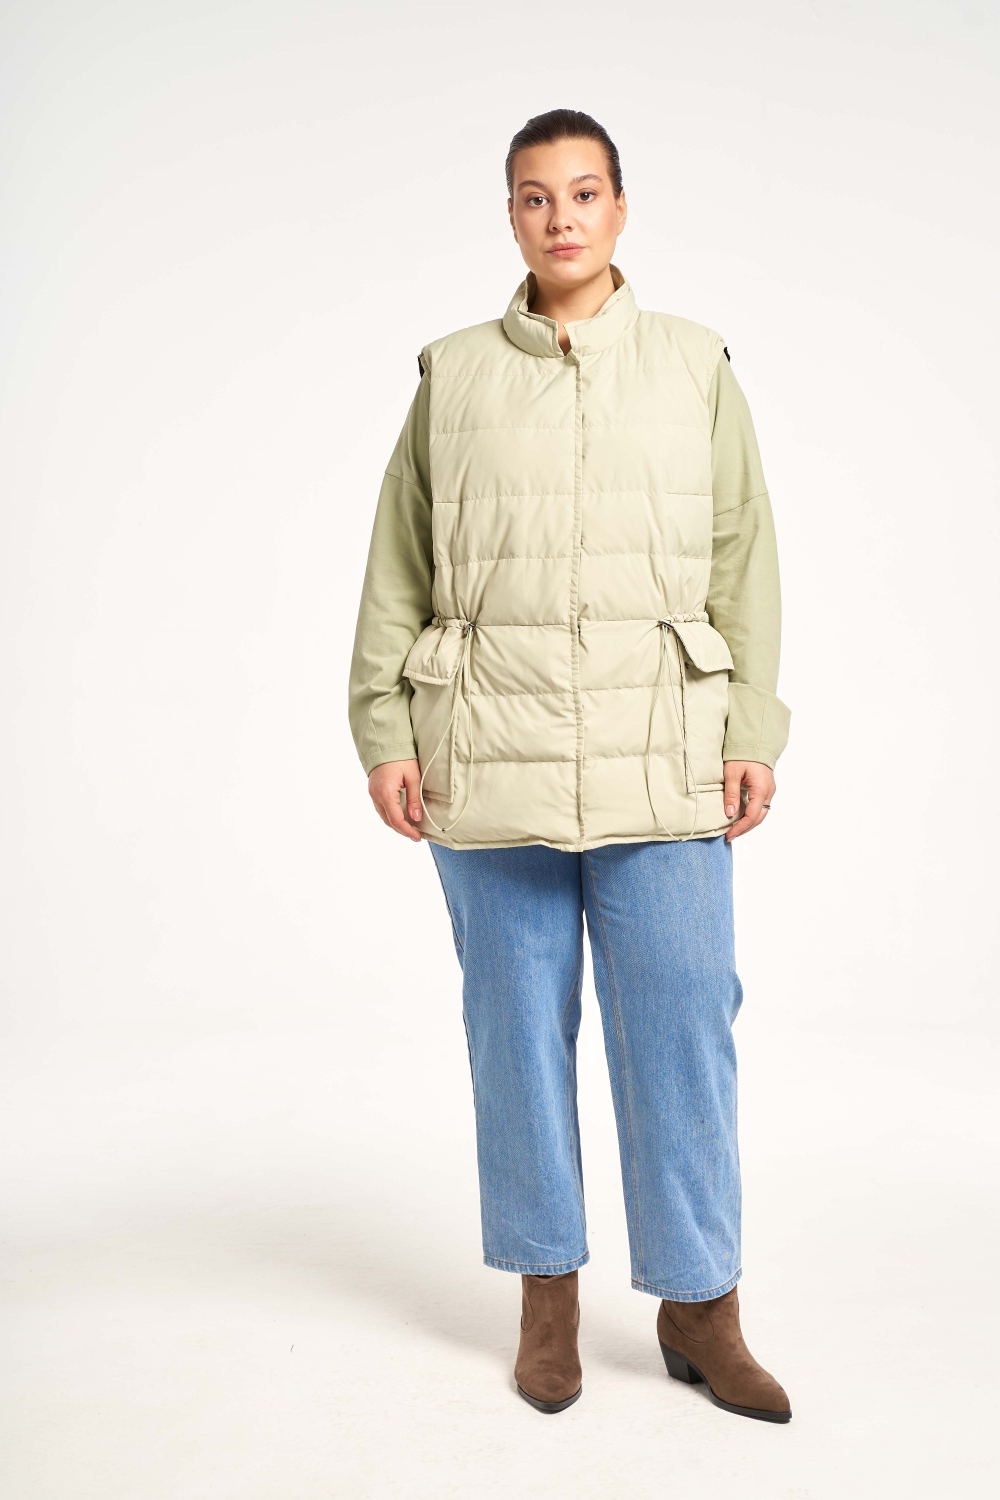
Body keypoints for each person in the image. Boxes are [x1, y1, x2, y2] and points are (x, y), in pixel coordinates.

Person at [349, 109, 792, 1423]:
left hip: (664, 747)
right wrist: (386, 728)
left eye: (584, 192)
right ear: (511, 216)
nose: (561, 218)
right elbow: (397, 564)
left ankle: (701, 1305)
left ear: (619, 208)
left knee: (684, 1033)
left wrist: (752, 725)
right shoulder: (453, 375)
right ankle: (547, 1296)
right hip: (489, 751)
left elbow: (743, 553)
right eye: (535, 197)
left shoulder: (695, 364)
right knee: (516, 1037)